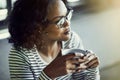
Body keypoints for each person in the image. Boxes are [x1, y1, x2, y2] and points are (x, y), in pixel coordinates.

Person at [8, 0, 100, 80]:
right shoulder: (20, 55)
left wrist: (92, 69)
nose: (67, 23)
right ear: (38, 27)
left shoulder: (71, 41)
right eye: (59, 21)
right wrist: (49, 74)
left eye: (67, 15)